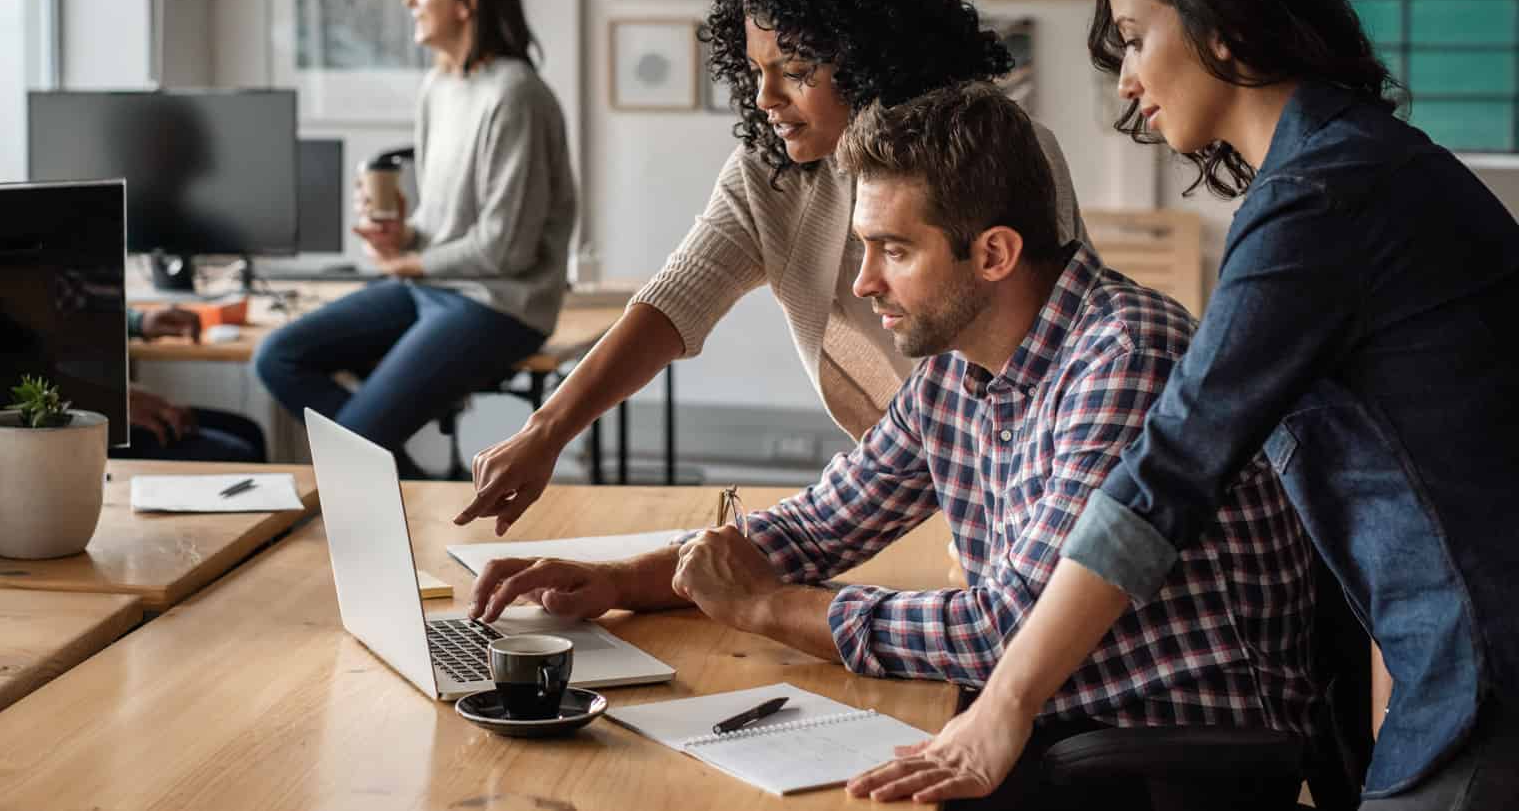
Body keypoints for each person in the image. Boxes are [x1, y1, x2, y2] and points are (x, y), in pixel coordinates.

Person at [849, 0, 1519, 810]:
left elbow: (1168, 470)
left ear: (1223, 26)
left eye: (1134, 36)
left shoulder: (1322, 198)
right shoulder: (1353, 168)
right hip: (1454, 663)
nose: (1125, 78)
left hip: (1490, 666)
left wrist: (1004, 705)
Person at [471, 83, 1314, 810]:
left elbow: (1005, 629)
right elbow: (821, 525)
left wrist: (768, 609)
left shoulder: (1123, 356)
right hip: (1053, 722)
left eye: (894, 250)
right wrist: (626, 581)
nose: (865, 282)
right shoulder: (963, 361)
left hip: (1155, 754)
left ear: (993, 253)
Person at [459, 0, 1087, 534]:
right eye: (756, 70)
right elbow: (676, 300)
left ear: (872, 58)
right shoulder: (773, 171)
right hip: (903, 474)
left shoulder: (996, 153)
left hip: (1032, 468)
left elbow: (1048, 349)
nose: (764, 97)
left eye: (794, 70)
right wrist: (545, 433)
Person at [253, 0, 577, 477]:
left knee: (354, 441)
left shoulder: (516, 95)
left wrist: (411, 263)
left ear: (466, 2)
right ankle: (411, 487)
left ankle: (387, 483)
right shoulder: (438, 87)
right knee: (278, 356)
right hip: (432, 289)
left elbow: (507, 248)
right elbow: (442, 224)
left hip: (499, 305)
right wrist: (401, 236)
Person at [0, 71, 260, 460]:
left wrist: (139, 325)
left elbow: (36, 312)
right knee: (235, 451)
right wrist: (101, 403)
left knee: (245, 431)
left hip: (51, 402)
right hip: (15, 431)